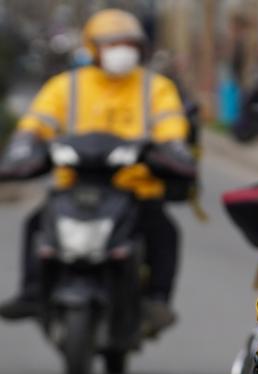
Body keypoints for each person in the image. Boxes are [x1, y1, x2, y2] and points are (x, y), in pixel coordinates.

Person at [0, 9, 194, 336]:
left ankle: (157, 300)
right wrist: (22, 148)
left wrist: (172, 150)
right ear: (92, 48)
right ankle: (32, 291)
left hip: (135, 190)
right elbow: (35, 124)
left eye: (128, 43)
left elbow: (171, 129)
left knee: (164, 232)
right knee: (36, 225)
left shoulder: (156, 88)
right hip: (73, 185)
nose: (122, 50)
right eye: (112, 43)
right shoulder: (66, 86)